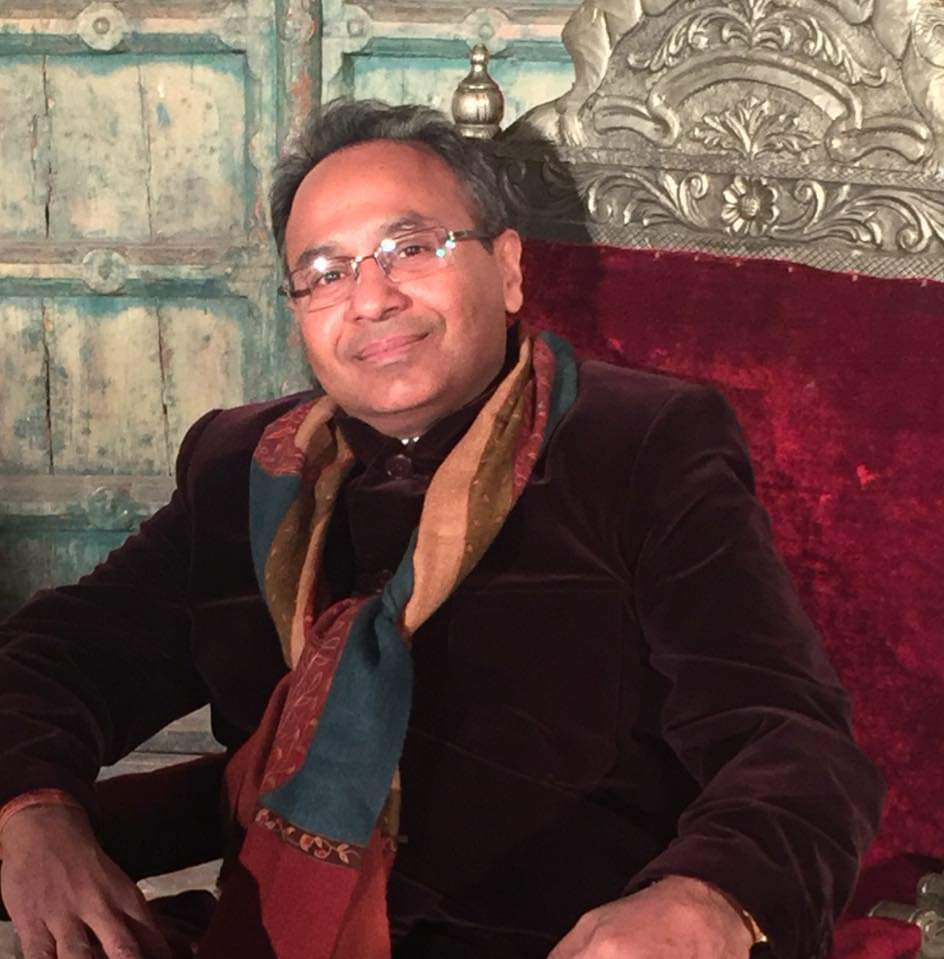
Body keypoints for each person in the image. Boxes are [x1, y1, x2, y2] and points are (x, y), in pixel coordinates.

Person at [0, 99, 883, 959]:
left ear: (509, 270)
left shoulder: (639, 445)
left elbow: (788, 735)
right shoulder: (246, 468)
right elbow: (50, 659)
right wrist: (33, 813)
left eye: (411, 249)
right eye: (326, 273)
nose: (371, 299)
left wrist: (709, 895)